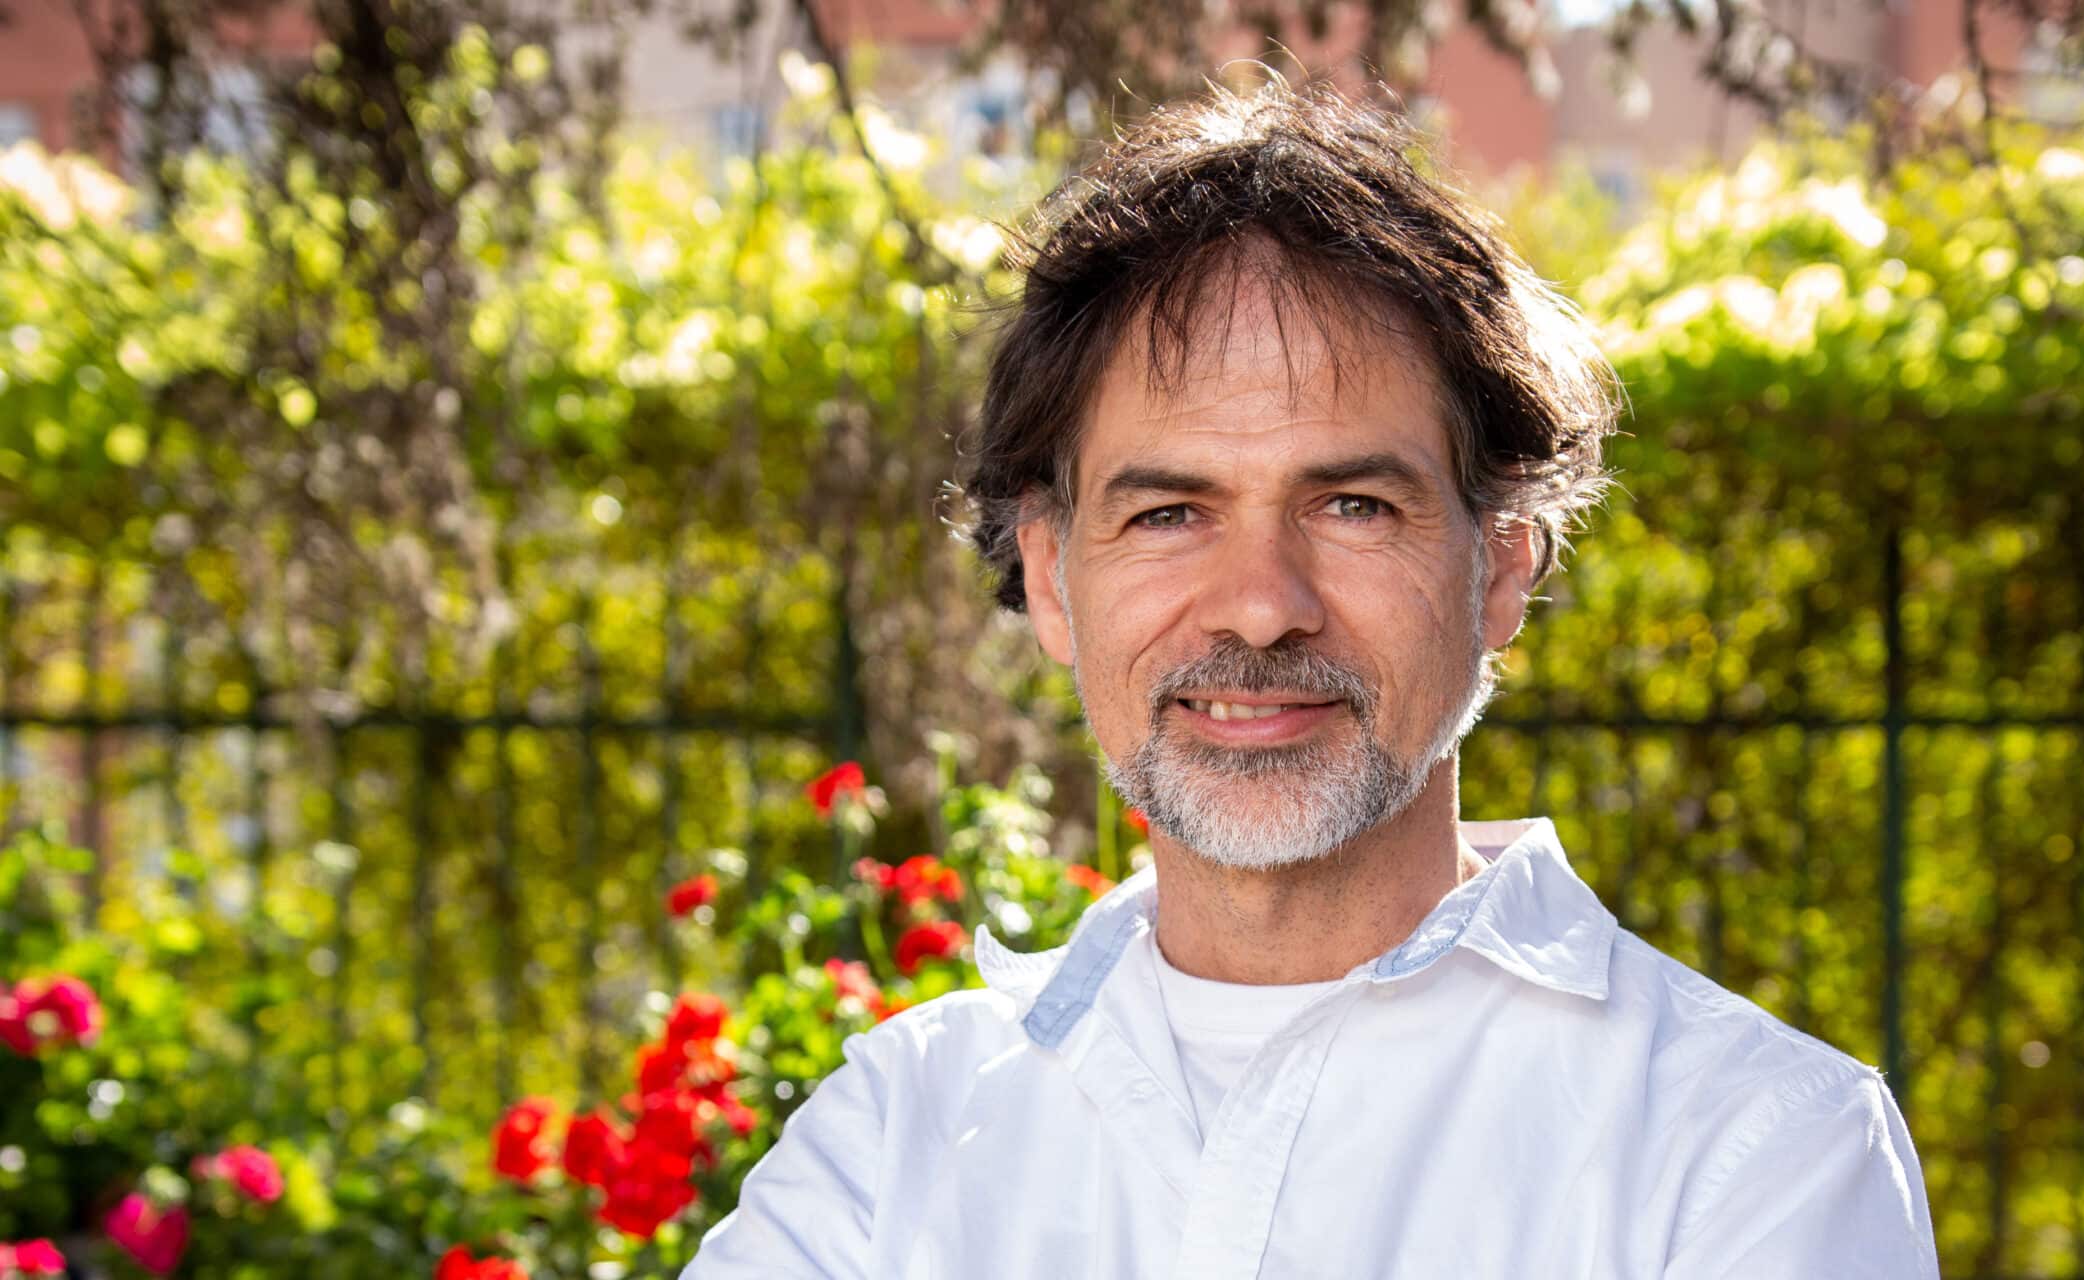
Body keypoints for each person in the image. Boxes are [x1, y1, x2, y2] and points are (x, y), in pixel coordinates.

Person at [684, 76, 1936, 1280]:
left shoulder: (1754, 1150)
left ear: (1502, 565)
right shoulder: (892, 1136)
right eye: (1169, 512)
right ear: (1054, 578)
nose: (1260, 603)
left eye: (1352, 504)